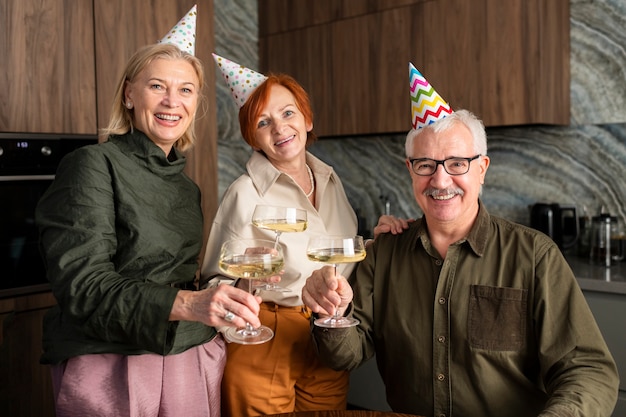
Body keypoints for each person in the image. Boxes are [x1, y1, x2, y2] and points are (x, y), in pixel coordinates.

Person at [302, 64, 620, 417]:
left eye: (457, 164)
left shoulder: (534, 256)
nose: (440, 181)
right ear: (411, 170)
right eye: (426, 164)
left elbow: (587, 371)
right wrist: (331, 314)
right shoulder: (385, 253)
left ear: (482, 168)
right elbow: (344, 355)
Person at [35, 10, 262, 417]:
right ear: (129, 94)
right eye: (157, 86)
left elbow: (179, 277)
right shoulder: (92, 165)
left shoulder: (186, 187)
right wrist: (191, 304)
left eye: (186, 90)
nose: (172, 101)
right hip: (111, 362)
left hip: (189, 354)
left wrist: (231, 291)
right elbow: (83, 287)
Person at [200, 54, 363, 416]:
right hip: (264, 336)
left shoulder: (331, 181)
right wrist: (246, 287)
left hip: (326, 335)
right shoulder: (244, 193)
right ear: (253, 138)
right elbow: (212, 282)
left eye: (288, 113)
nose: (279, 128)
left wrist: (378, 241)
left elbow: (339, 253)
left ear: (306, 118)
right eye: (263, 122)